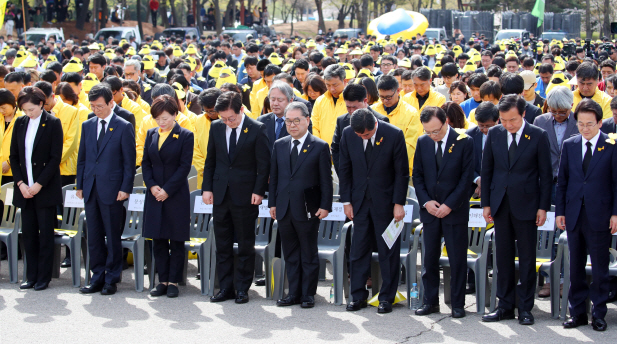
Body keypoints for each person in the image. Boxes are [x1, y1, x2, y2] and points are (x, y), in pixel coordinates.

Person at [481, 95, 552, 325]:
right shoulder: (495, 134)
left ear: (523, 114)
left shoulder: (538, 135)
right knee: (502, 257)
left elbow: (546, 176)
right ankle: (504, 305)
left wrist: (542, 207)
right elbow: (488, 170)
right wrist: (486, 204)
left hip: (528, 205)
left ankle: (525, 307)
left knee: (527, 257)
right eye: (503, 120)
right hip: (501, 204)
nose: (508, 125)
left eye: (512, 119)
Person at [339, 108, 409, 314]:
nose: (362, 137)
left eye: (367, 135)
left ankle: (387, 297)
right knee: (358, 249)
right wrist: (346, 201)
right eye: (359, 135)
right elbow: (344, 169)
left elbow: (401, 173)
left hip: (385, 203)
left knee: (388, 250)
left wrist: (399, 203)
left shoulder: (393, 134)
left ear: (375, 125)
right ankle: (358, 296)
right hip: (359, 202)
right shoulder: (347, 134)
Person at [202, 91, 269, 304]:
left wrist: (259, 191)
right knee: (222, 244)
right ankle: (225, 287)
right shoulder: (216, 128)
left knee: (245, 244)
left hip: (246, 195)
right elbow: (211, 160)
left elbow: (263, 165)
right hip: (221, 194)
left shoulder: (257, 129)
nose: (227, 122)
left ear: (241, 109)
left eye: (231, 118)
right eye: (223, 118)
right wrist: (207, 188)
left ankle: (242, 288)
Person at [556, 98, 617, 332]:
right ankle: (578, 312)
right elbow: (562, 182)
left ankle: (599, 314)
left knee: (600, 267)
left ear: (600, 123)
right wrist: (560, 211)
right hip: (573, 213)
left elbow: (615, 183)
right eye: (581, 124)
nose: (585, 128)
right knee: (575, 267)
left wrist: (615, 214)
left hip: (600, 213)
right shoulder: (570, 145)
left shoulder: (611, 145)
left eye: (590, 124)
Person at [269, 102, 332, 308]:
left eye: (297, 120)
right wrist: (272, 203)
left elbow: (325, 180)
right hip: (284, 207)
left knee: (308, 252)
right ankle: (293, 292)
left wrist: (325, 205)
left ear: (307, 120)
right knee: (290, 253)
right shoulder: (280, 144)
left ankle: (308, 294)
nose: (292, 125)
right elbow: (275, 177)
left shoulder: (320, 146)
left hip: (308, 208)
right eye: (288, 121)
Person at [412, 106, 473, 318]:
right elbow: (417, 176)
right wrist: (426, 202)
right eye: (428, 132)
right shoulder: (423, 142)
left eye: (436, 131)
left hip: (454, 210)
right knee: (429, 259)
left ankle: (457, 304)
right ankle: (430, 302)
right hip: (430, 210)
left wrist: (450, 204)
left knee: (457, 259)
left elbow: (467, 179)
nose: (433, 136)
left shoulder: (464, 140)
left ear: (446, 121)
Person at [77, 83, 136, 296]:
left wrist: (125, 188)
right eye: (92, 106)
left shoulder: (123, 125)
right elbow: (82, 157)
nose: (96, 110)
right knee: (93, 235)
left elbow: (130, 161)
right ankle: (97, 276)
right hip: (91, 187)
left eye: (100, 106)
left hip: (113, 188)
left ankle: (111, 278)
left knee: (112, 235)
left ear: (111, 102)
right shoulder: (88, 124)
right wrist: (80, 185)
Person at [11, 86, 63, 291]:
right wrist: (21, 184)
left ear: (41, 104)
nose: (28, 113)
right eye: (25, 110)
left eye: (31, 109)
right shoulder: (20, 123)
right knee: (29, 234)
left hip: (44, 188)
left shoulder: (52, 123)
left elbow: (54, 158)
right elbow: (14, 156)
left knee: (46, 234)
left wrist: (38, 184)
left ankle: (44, 276)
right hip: (25, 189)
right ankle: (30, 275)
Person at [142, 95, 193, 298]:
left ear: (175, 114)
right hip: (155, 194)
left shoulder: (185, 135)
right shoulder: (151, 134)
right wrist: (152, 186)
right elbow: (146, 163)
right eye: (158, 119)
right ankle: (161, 280)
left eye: (165, 118)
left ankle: (174, 281)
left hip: (175, 194)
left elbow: (184, 167)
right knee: (158, 239)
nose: (161, 123)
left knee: (176, 239)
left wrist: (167, 190)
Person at [533, 87, 579, 205]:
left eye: (562, 112)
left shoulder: (579, 122)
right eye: (553, 111)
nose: (558, 115)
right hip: (546, 182)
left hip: (572, 182)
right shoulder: (540, 121)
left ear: (571, 105)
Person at [331, 83, 389, 176]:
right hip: (351, 176)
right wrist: (343, 174)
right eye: (348, 107)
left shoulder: (381, 120)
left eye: (354, 107)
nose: (351, 111)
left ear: (365, 101)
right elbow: (336, 149)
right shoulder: (342, 121)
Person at [371, 75, 421, 175]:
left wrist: (391, 162)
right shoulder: (372, 110)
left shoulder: (411, 113)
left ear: (398, 91)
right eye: (382, 97)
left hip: (401, 168)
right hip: (375, 168)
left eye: (389, 97)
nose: (385, 100)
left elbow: (411, 143)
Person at [467, 102, 499, 199]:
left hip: (498, 185)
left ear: (497, 120)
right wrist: (478, 180)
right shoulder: (470, 136)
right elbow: (466, 163)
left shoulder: (504, 135)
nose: (485, 129)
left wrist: (486, 182)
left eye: (489, 126)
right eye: (481, 126)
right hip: (473, 187)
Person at [311, 64, 349, 145]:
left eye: (335, 85)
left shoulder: (352, 101)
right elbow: (314, 126)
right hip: (324, 151)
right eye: (328, 85)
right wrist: (320, 146)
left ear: (345, 81)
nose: (332, 89)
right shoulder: (320, 101)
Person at [0, 89, 22, 185]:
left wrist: (9, 162)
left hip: (15, 169)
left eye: (3, 108)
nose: (1, 111)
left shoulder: (22, 118)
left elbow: (23, 144)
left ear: (12, 103)